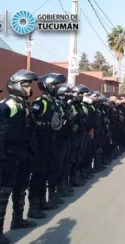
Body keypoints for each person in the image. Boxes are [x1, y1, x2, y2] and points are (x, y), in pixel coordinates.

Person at [0, 70, 39, 244]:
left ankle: (18, 219)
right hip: (9, 154)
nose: (29, 88)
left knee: (21, 188)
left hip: (25, 152)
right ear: (15, 85)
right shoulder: (7, 104)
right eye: (25, 85)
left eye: (29, 85)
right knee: (4, 191)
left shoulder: (25, 104)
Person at [28, 73, 66, 219]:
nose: (58, 87)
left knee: (47, 172)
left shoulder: (54, 102)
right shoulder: (41, 102)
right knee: (38, 174)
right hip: (40, 142)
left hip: (51, 141)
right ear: (48, 86)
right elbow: (32, 121)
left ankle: (43, 201)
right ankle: (33, 206)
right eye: (56, 85)